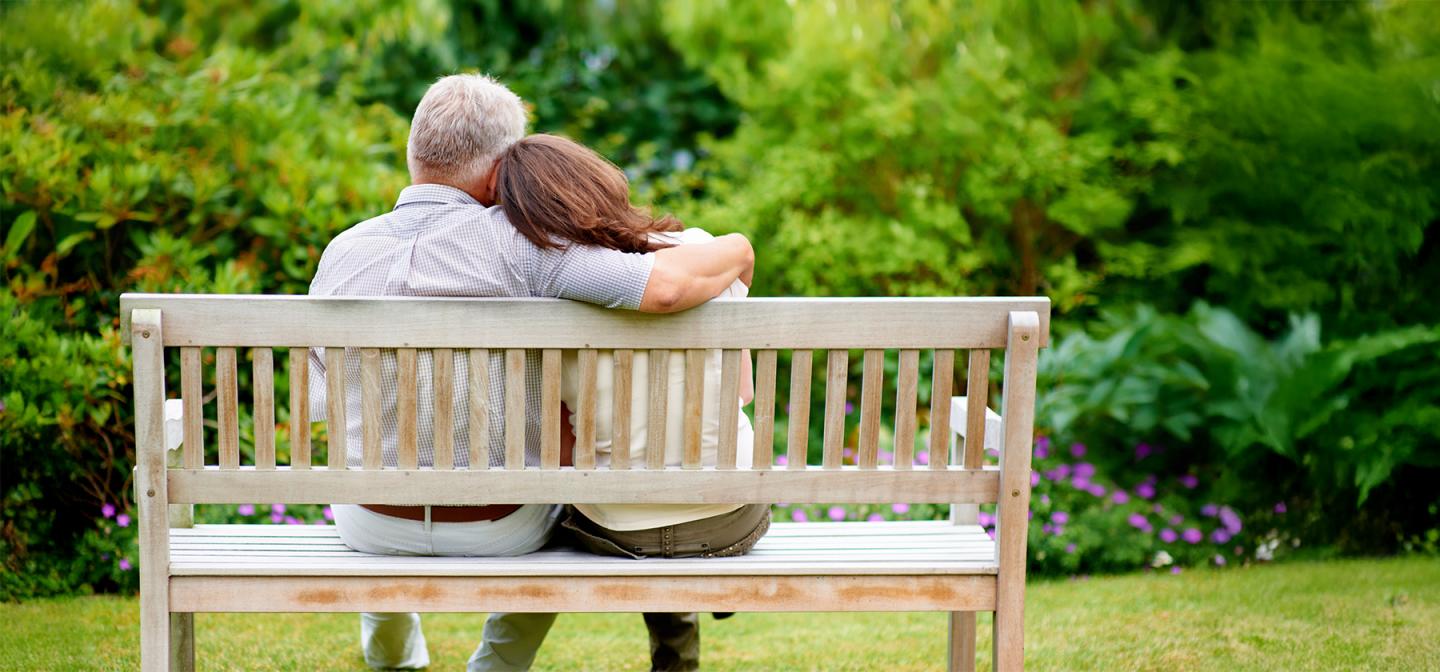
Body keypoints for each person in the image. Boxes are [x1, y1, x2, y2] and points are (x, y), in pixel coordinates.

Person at [307, 74, 754, 671]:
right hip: (498, 526)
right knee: (565, 500)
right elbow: (667, 286)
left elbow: (319, 403)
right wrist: (740, 248)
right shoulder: (524, 245)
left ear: (414, 153)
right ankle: (495, 664)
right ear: (502, 172)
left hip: (367, 521)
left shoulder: (343, 252)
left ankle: (391, 652)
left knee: (378, 452)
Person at [491, 133, 772, 672]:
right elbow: (743, 394)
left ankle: (674, 646)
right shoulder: (703, 252)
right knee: (682, 485)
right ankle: (698, 596)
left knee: (625, 494)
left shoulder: (550, 296)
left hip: (617, 530)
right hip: (730, 518)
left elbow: (564, 448)